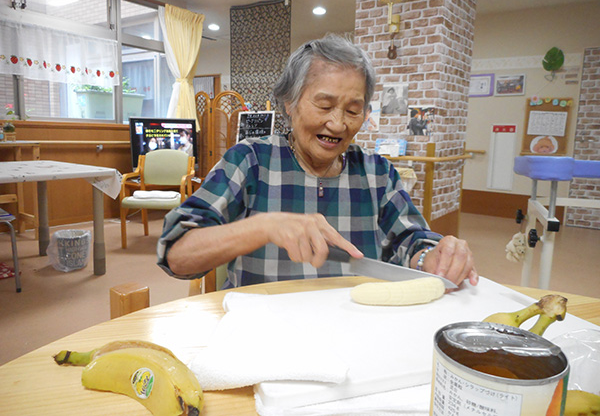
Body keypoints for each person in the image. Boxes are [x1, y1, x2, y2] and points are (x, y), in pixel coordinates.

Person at [157, 34, 477, 289]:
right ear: (290, 103)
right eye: (324, 105)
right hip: (262, 332)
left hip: (353, 332)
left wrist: (433, 257)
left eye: (353, 111)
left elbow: (413, 239)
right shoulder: (251, 159)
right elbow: (177, 254)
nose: (338, 124)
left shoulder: (377, 174)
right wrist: (264, 226)